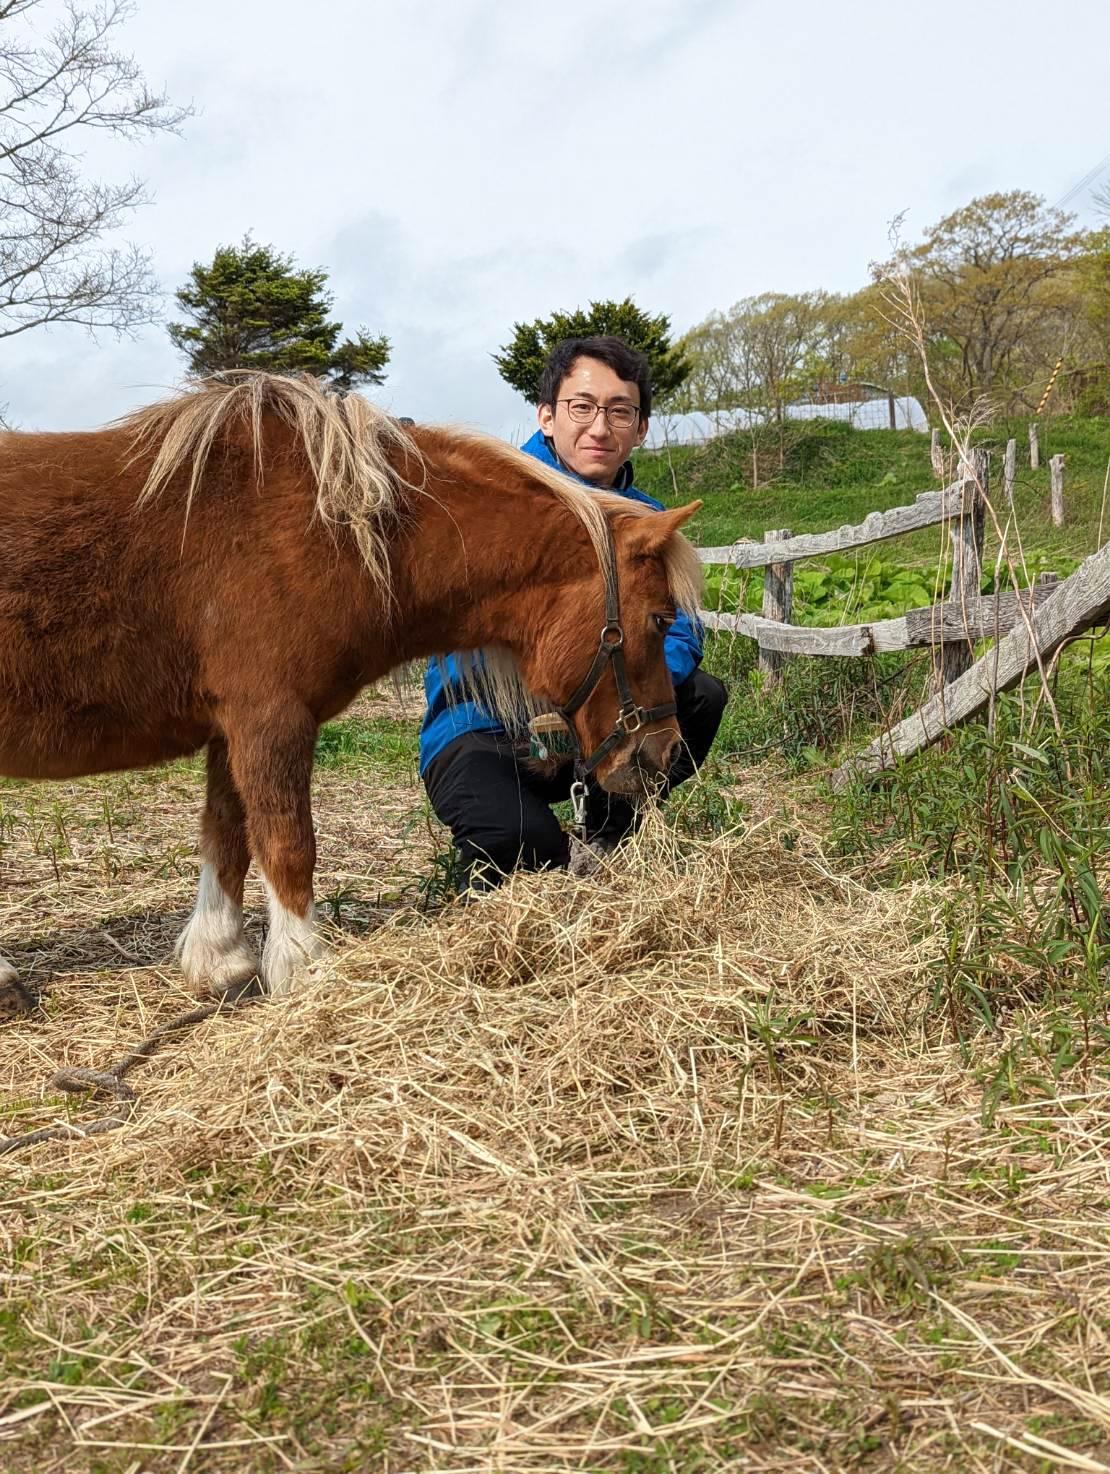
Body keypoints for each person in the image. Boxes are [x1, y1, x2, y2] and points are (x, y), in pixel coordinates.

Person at [419, 334, 727, 889]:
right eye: (581, 407)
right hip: (488, 727)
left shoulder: (648, 521)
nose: (600, 427)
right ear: (546, 417)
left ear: (641, 428)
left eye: (619, 411)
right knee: (520, 850)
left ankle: (613, 830)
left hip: (600, 722)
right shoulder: (495, 507)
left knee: (701, 696)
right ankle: (526, 834)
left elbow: (682, 628)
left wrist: (623, 684)